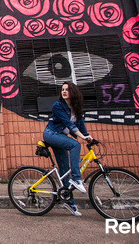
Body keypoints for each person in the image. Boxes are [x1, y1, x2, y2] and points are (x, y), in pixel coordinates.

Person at [43, 82, 93, 217]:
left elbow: (80, 124)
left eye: (67, 89)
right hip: (51, 134)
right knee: (75, 145)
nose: (64, 91)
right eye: (62, 90)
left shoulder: (76, 108)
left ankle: (69, 202)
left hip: (61, 136)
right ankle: (76, 178)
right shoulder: (58, 106)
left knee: (64, 170)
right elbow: (68, 124)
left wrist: (88, 136)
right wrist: (82, 137)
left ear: (73, 92)